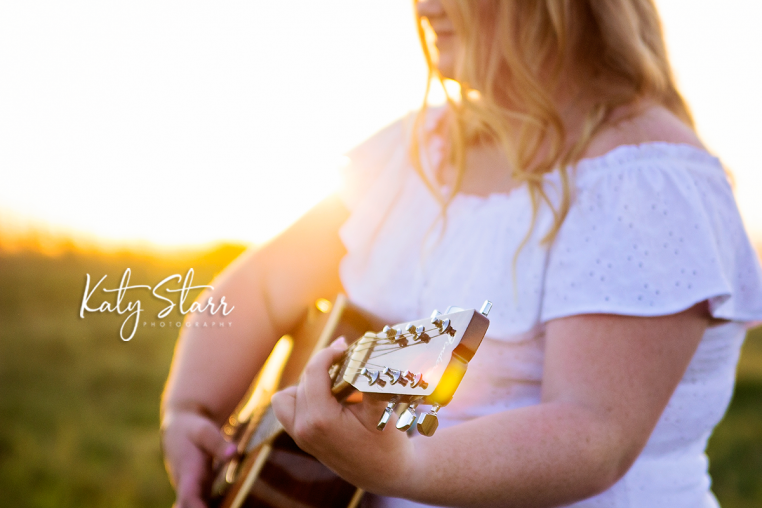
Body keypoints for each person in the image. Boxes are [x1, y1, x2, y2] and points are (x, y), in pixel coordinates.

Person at [160, 1, 762, 507]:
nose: (424, 7)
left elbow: (592, 431)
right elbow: (262, 287)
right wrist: (189, 408)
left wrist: (403, 466)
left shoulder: (644, 177)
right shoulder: (416, 150)